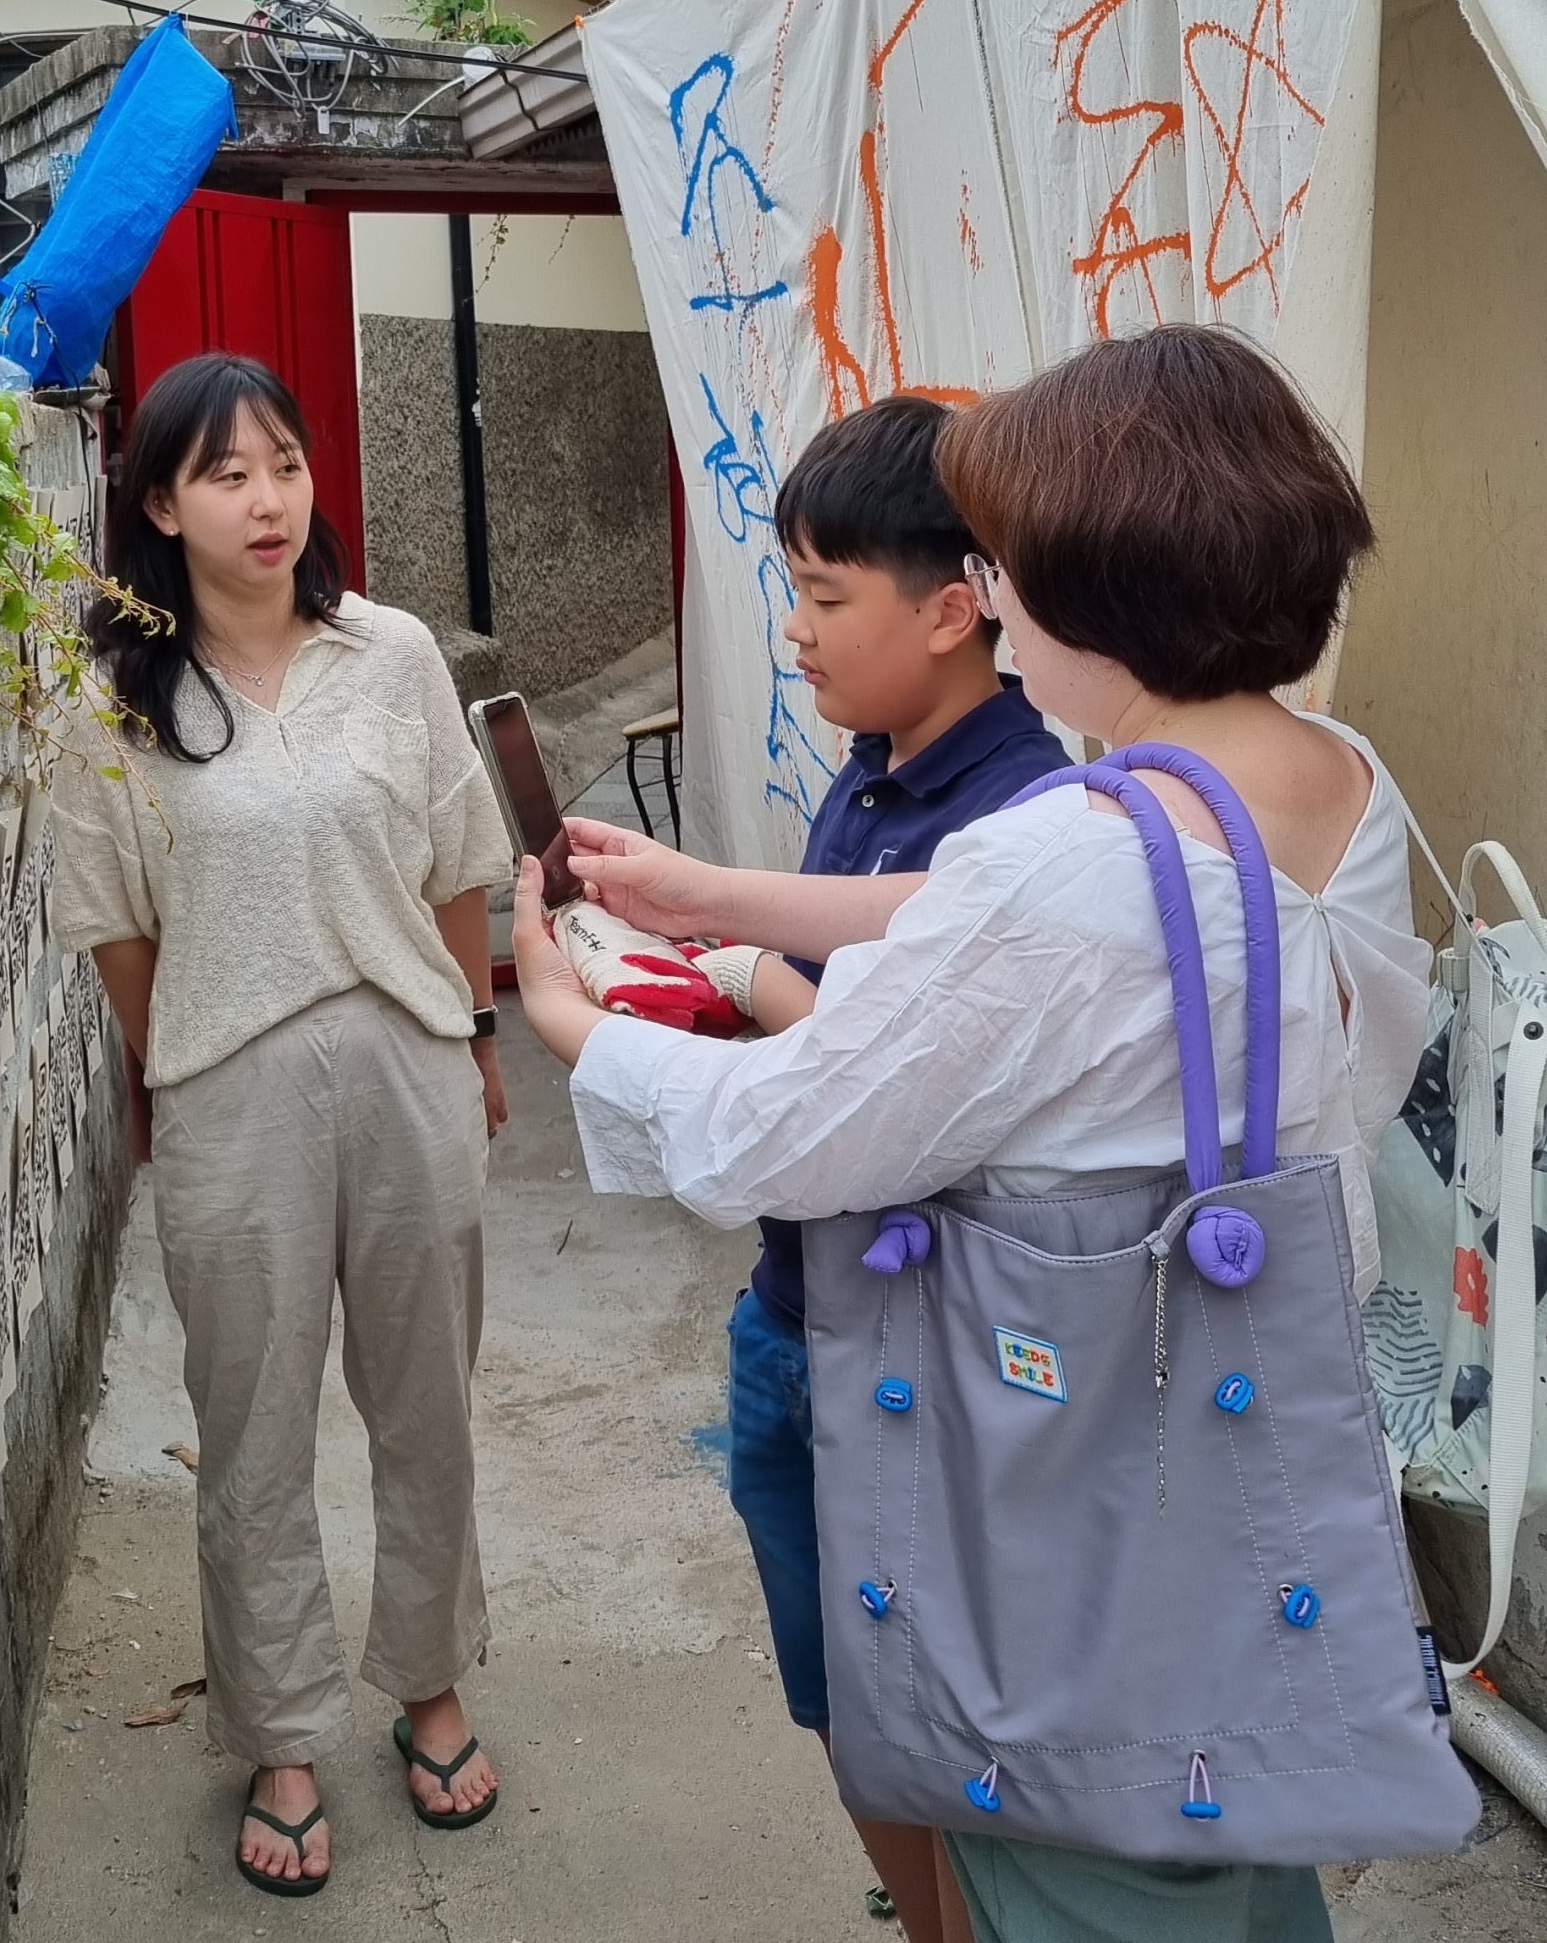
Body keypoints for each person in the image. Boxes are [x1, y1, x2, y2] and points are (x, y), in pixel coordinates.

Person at [514, 327, 1430, 1943]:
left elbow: (791, 1139)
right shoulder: (1330, 780)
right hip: (1245, 1403)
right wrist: (717, 897)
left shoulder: (1071, 860)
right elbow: (1022, 915)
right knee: (1221, 1819)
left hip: (1072, 1448)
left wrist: (582, 1027)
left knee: (1087, 1837)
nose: (989, 596)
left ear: (1092, 583)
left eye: (1004, 563)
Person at [52, 353, 516, 1902]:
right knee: (249, 1426)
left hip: (410, 1059)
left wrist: (473, 1035)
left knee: (425, 1400)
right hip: (226, 1087)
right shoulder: (117, 694)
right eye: (228, 473)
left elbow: (463, 865)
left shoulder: (390, 657)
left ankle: (430, 1682)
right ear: (162, 502)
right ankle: (282, 1729)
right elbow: (121, 931)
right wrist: (176, 1071)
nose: (268, 499)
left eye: (287, 465)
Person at [715, 397, 1065, 1943]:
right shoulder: (870, 768)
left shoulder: (1022, 819)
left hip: (922, 1351)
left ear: (950, 608)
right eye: (792, 590)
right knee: (845, 1703)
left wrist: (748, 992)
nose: (793, 632)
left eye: (821, 596)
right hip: (795, 1310)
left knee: (939, 1711)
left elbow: (906, 1090)